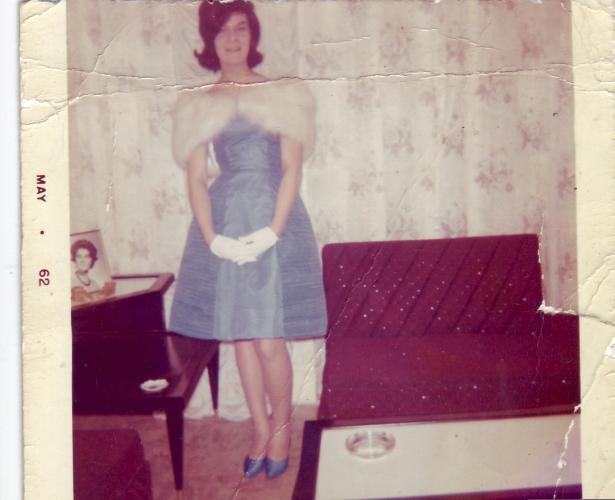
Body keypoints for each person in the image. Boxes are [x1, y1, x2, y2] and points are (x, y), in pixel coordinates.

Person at [169, 0, 327, 480]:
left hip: (272, 221)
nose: (233, 38)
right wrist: (212, 238)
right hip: (226, 222)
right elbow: (197, 178)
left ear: (252, 35)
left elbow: (292, 168)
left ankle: (282, 429)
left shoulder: (283, 93)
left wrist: (273, 231)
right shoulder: (198, 103)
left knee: (268, 338)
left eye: (241, 28)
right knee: (241, 333)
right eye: (222, 31)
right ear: (209, 40)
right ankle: (259, 428)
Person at [70, 239, 115, 303]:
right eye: (79, 256)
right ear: (75, 259)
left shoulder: (94, 284)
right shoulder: (71, 283)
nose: (83, 260)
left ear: (92, 260)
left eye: (86, 256)